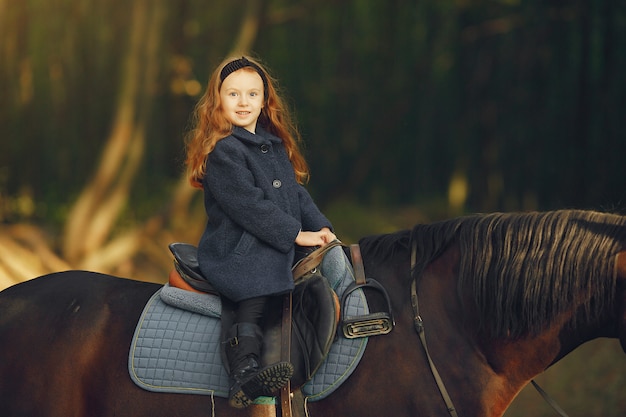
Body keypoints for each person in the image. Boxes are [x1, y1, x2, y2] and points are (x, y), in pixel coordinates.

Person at [185, 56, 336, 408]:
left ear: (264, 100)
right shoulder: (224, 152)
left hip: (268, 236)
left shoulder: (273, 145)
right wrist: (296, 234)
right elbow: (249, 206)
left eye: (252, 94)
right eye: (233, 94)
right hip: (236, 247)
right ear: (217, 100)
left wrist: (320, 226)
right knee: (254, 288)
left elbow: (296, 194)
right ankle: (244, 372)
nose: (243, 102)